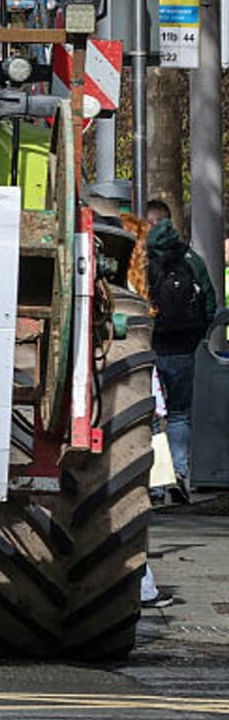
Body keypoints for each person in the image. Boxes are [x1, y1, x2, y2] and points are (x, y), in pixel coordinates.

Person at [144, 199, 216, 503]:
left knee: (148, 414)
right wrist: (198, 335)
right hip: (184, 347)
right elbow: (210, 302)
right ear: (168, 221)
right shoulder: (190, 257)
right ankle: (179, 473)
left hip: (147, 348)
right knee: (177, 414)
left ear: (149, 223)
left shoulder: (139, 257)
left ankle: (154, 484)